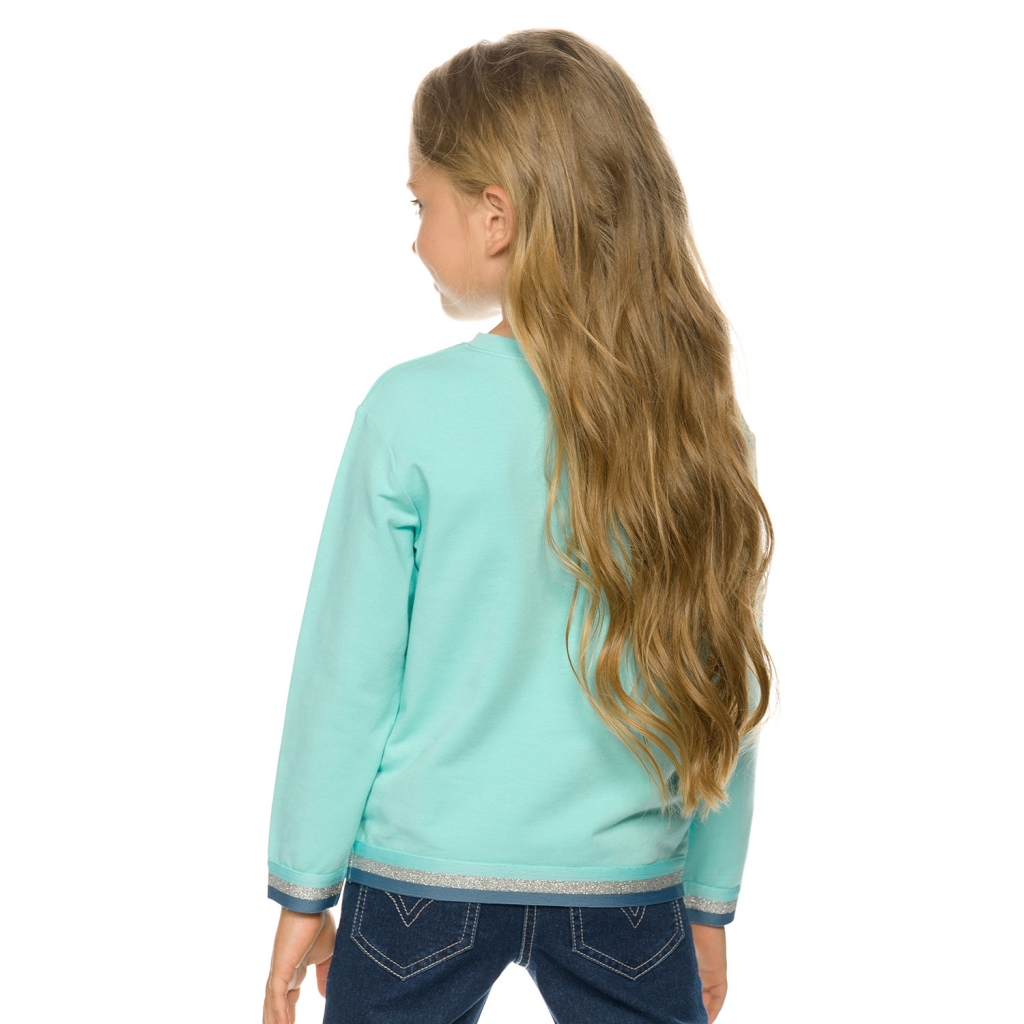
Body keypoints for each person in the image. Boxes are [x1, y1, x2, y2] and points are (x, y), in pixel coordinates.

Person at [261, 27, 774, 1024]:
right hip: (626, 888)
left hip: (419, 878)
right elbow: (723, 681)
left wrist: (303, 889)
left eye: (422, 204)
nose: (415, 238)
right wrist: (709, 900)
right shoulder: (693, 422)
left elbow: (345, 679)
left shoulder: (408, 411)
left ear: (494, 216)